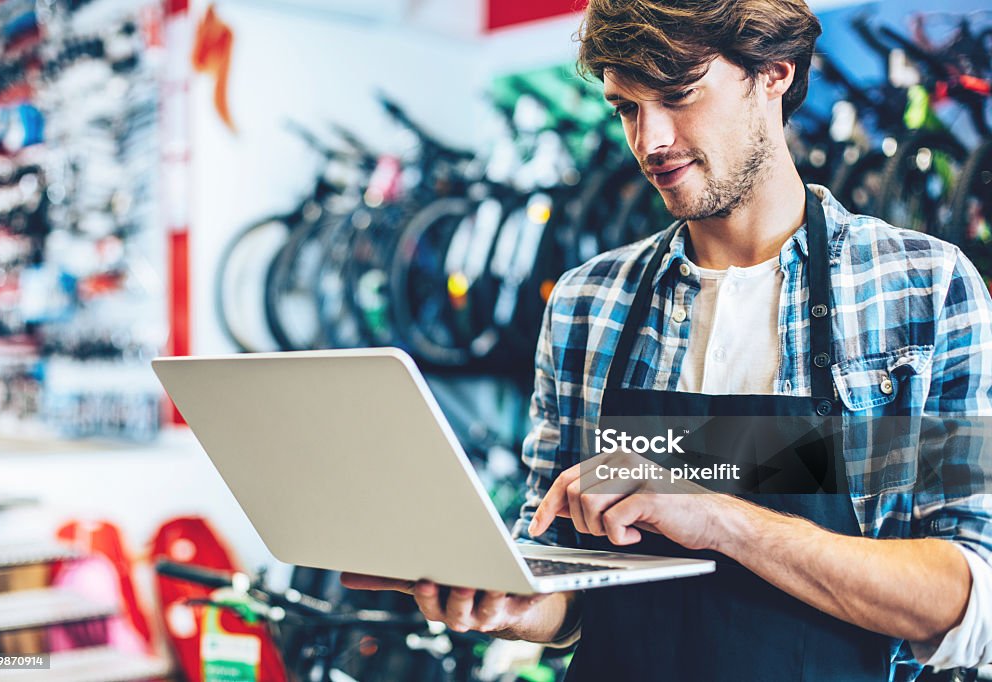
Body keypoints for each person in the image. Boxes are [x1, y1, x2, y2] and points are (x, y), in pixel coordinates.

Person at [342, 0, 992, 679]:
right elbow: (568, 587)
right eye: (626, 107)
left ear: (773, 72)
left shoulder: (924, 289)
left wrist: (716, 518)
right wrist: (510, 602)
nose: (649, 140)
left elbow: (963, 601)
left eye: (678, 96)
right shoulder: (588, 303)